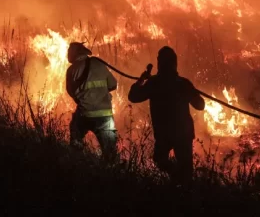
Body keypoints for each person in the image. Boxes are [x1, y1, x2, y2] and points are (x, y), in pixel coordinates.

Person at [128, 46, 205, 186]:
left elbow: (133, 96)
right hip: (183, 133)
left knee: (160, 159)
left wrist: (141, 80)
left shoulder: (154, 83)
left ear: (159, 63)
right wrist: (194, 93)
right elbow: (200, 106)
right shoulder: (183, 83)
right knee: (185, 170)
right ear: (175, 64)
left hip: (164, 133)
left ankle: (177, 180)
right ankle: (185, 187)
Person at [65, 42, 119, 164]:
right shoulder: (99, 64)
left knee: (76, 134)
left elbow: (70, 91)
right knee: (110, 153)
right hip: (105, 116)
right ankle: (114, 175)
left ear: (75, 53)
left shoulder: (72, 70)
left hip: (85, 113)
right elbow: (113, 84)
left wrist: (82, 98)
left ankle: (78, 164)